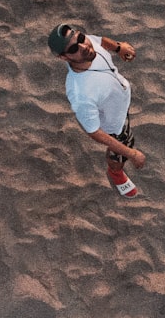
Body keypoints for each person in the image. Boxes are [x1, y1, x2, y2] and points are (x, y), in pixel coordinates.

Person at [47, 23, 147, 198]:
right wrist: (131, 154)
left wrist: (118, 47)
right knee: (119, 151)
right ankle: (116, 173)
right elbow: (94, 132)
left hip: (118, 104)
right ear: (64, 58)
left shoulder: (88, 44)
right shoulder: (81, 94)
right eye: (73, 48)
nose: (84, 46)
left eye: (80, 37)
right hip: (113, 125)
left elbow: (99, 41)